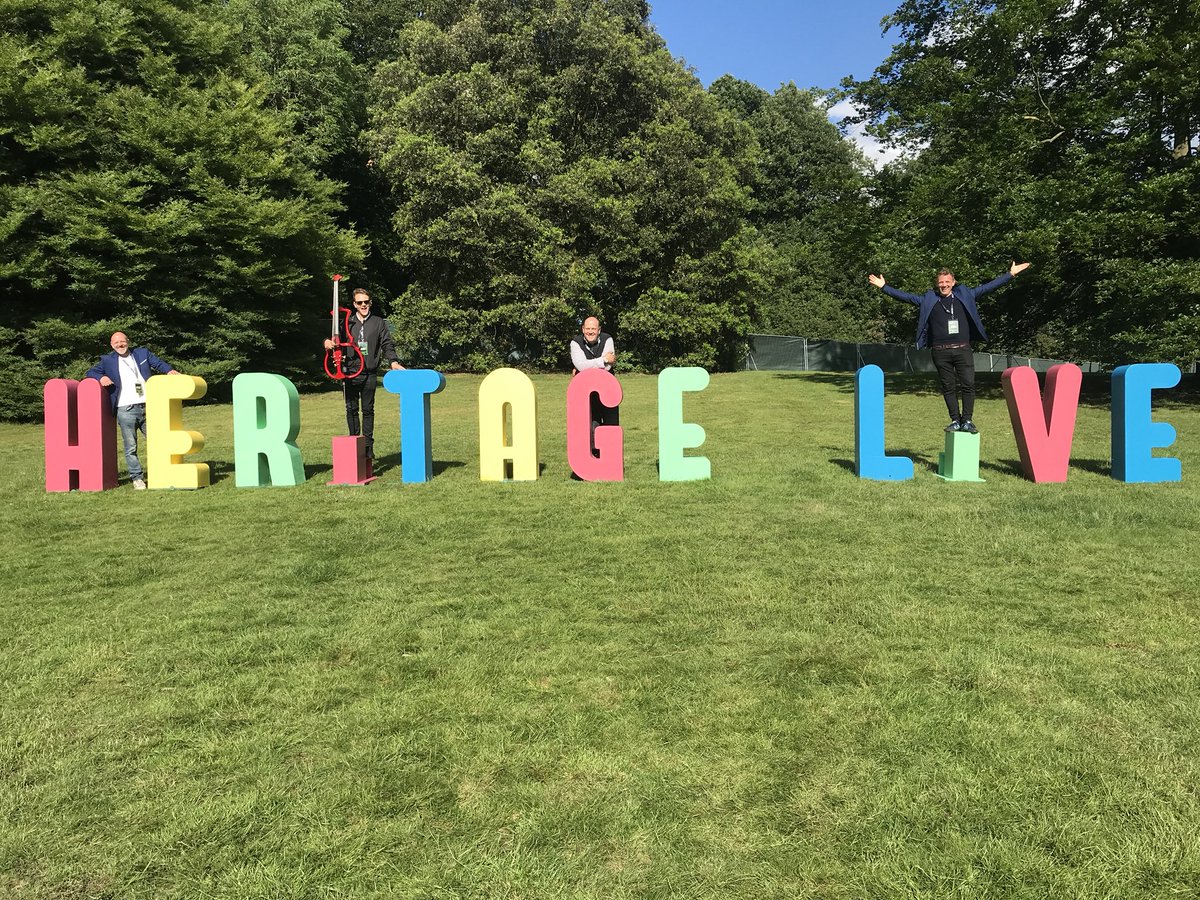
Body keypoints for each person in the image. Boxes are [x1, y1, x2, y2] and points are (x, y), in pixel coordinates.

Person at [868, 261, 1031, 434]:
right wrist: (884, 287)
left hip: (963, 349)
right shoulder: (928, 300)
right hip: (940, 351)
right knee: (948, 387)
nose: (944, 285)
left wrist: (1010, 274)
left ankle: (967, 420)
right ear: (937, 284)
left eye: (947, 282)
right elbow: (906, 297)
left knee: (968, 384)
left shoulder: (965, 295)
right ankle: (955, 420)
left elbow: (988, 287)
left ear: (953, 282)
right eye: (941, 282)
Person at [85, 331, 181, 489]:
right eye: (116, 343)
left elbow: (158, 363)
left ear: (127, 341)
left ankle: (163, 473)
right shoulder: (107, 360)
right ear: (111, 345)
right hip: (125, 409)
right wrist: (101, 378)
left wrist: (169, 371)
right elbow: (91, 372)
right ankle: (137, 478)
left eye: (122, 341)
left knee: (159, 442)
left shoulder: (142, 353)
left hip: (149, 405)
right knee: (131, 446)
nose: (120, 345)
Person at [323, 287, 403, 461]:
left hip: (369, 373)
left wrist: (393, 361)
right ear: (354, 304)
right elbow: (334, 339)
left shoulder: (378, 322)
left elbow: (387, 343)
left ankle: (367, 447)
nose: (363, 305)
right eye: (359, 302)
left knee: (368, 410)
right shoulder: (347, 322)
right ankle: (354, 443)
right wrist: (327, 342)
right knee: (351, 409)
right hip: (349, 373)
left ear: (370, 303)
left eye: (366, 302)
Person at [569, 316, 618, 456]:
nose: (590, 332)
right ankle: (593, 455)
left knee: (611, 421)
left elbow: (607, 368)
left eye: (593, 329)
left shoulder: (608, 339)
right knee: (590, 422)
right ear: (583, 329)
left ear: (599, 330)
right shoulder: (575, 342)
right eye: (588, 329)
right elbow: (580, 365)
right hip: (585, 391)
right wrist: (603, 360)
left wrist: (587, 366)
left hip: (608, 388)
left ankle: (610, 455)